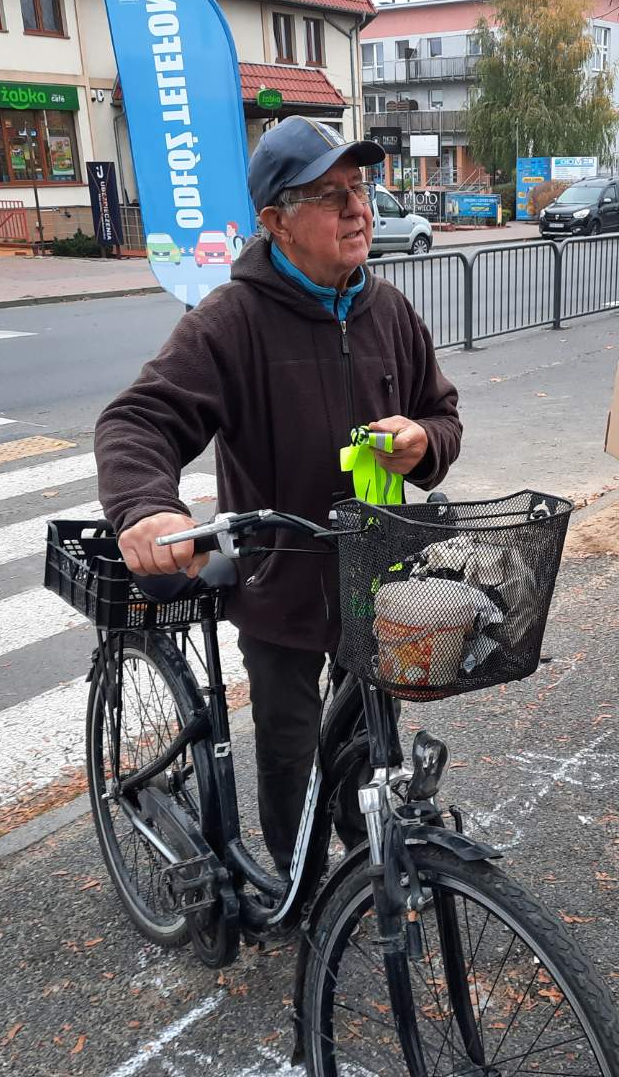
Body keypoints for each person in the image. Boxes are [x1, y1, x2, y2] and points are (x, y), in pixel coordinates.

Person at [95, 117, 462, 877]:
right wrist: (147, 507)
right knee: (290, 749)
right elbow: (137, 420)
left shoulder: (388, 310)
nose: (358, 209)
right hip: (280, 584)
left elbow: (444, 413)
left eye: (359, 188)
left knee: (371, 739)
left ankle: (369, 876)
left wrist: (427, 443)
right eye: (331, 196)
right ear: (276, 222)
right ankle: (299, 885)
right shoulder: (231, 321)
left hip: (376, 579)